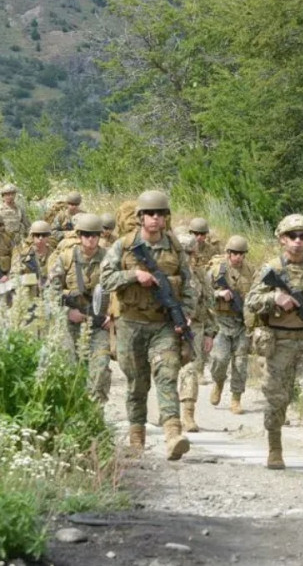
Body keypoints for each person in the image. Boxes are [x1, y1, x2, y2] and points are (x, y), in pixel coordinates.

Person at [100, 190, 195, 461]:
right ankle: (137, 437)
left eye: (160, 214)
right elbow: (105, 280)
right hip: (130, 323)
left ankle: (173, 434)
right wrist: (134, 275)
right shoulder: (123, 246)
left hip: (163, 324)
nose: (155, 218)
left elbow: (189, 286)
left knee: (167, 375)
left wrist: (185, 314)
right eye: (150, 214)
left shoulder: (175, 248)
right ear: (141, 217)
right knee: (137, 383)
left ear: (166, 218)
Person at [245, 214, 303, 470]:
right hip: (279, 342)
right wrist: (274, 299)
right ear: (282, 239)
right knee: (276, 398)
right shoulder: (272, 269)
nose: (298, 241)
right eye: (292, 236)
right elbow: (250, 302)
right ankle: (275, 450)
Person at [48, 213, 112, 403]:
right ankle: (74, 410)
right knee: (71, 369)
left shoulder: (108, 259)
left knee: (100, 365)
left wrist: (113, 315)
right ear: (79, 235)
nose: (90, 239)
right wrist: (67, 312)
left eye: (94, 235)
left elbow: (120, 290)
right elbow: (50, 293)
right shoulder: (65, 258)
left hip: (99, 324)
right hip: (70, 324)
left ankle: (95, 410)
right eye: (86, 234)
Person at [207, 235, 254, 415]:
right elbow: (202, 292)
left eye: (241, 253)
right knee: (220, 358)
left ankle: (236, 398)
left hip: (242, 322)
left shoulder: (251, 271)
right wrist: (219, 294)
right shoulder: (217, 270)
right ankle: (218, 382)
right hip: (220, 321)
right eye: (234, 253)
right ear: (228, 253)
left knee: (240, 363)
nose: (238, 257)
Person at [176, 233, 217, 432]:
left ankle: (188, 414)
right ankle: (168, 414)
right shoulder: (166, 272)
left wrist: (210, 333)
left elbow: (209, 304)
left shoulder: (201, 275)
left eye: (189, 253)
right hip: (167, 327)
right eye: (181, 253)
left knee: (190, 369)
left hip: (194, 329)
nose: (185, 257)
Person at [13, 220, 55, 297]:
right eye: (37, 235)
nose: (40, 238)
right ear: (32, 237)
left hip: (50, 295)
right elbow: (14, 277)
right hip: (28, 294)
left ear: (48, 236)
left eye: (44, 235)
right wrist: (32, 281)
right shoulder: (24, 255)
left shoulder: (54, 255)